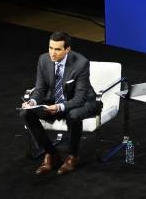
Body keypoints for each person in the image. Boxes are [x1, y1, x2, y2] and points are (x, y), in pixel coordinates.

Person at [20, 31, 101, 175]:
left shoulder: (81, 63)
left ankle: (72, 157)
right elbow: (40, 89)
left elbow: (80, 97)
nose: (52, 53)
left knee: (73, 115)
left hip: (85, 102)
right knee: (26, 112)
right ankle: (52, 153)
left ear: (67, 49)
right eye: (50, 48)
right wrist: (32, 101)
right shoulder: (43, 59)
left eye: (57, 49)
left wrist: (58, 107)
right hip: (56, 101)